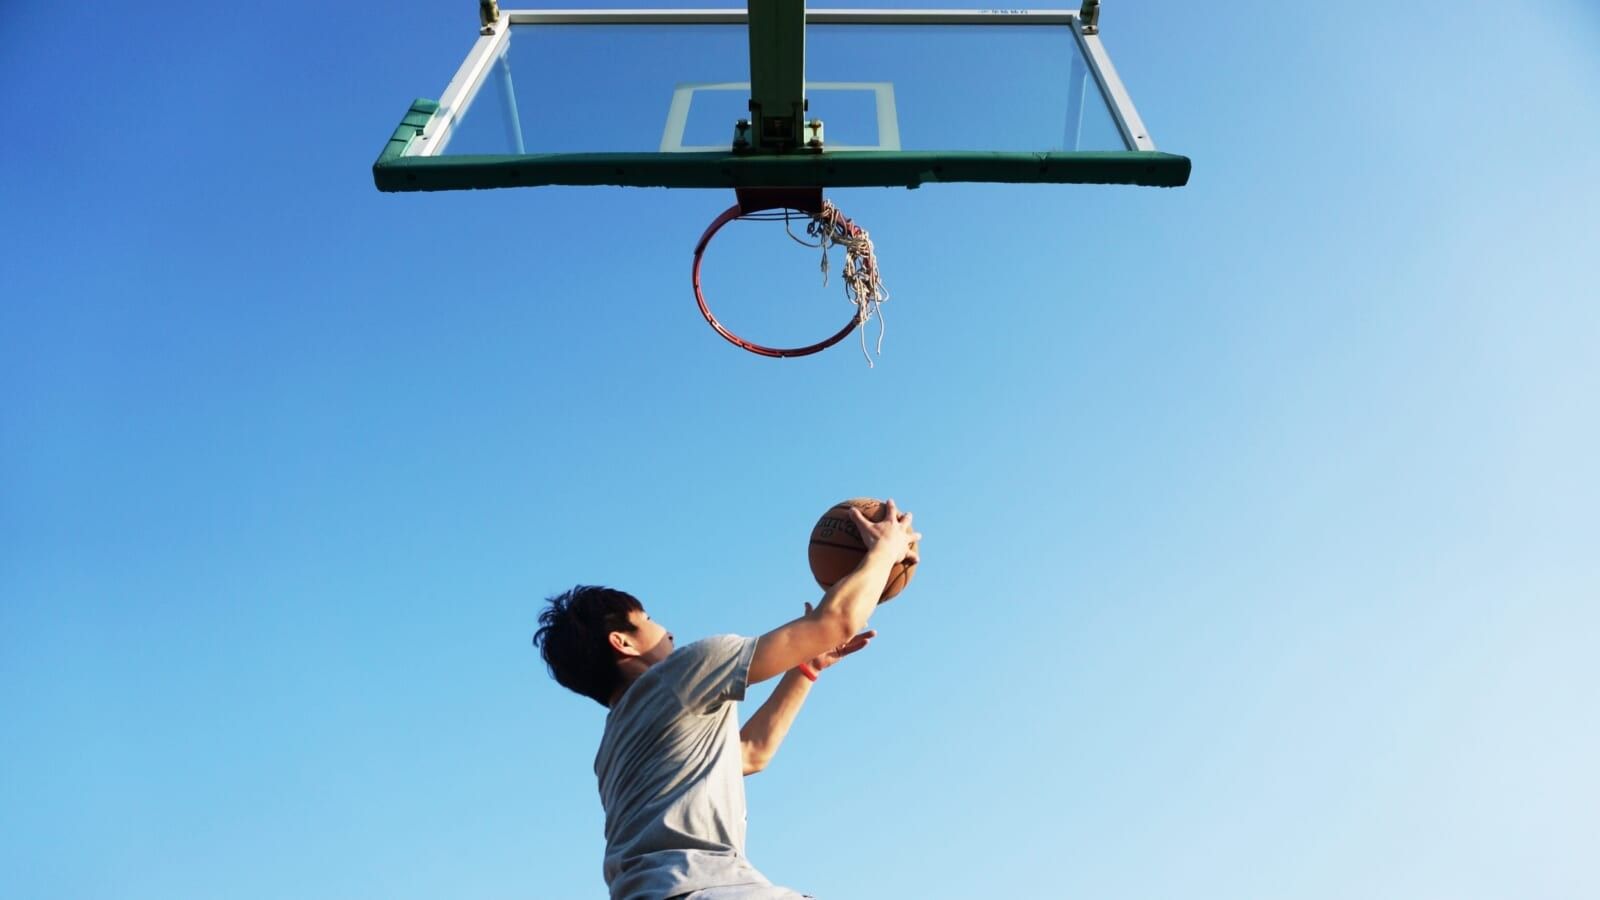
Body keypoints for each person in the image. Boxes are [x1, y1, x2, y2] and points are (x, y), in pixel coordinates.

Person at [533, 500, 921, 900]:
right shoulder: (681, 672)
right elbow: (836, 621)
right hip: (702, 887)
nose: (667, 632)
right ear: (623, 642)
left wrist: (806, 669)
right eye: (648, 620)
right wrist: (884, 550)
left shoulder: (616, 750)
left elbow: (752, 752)